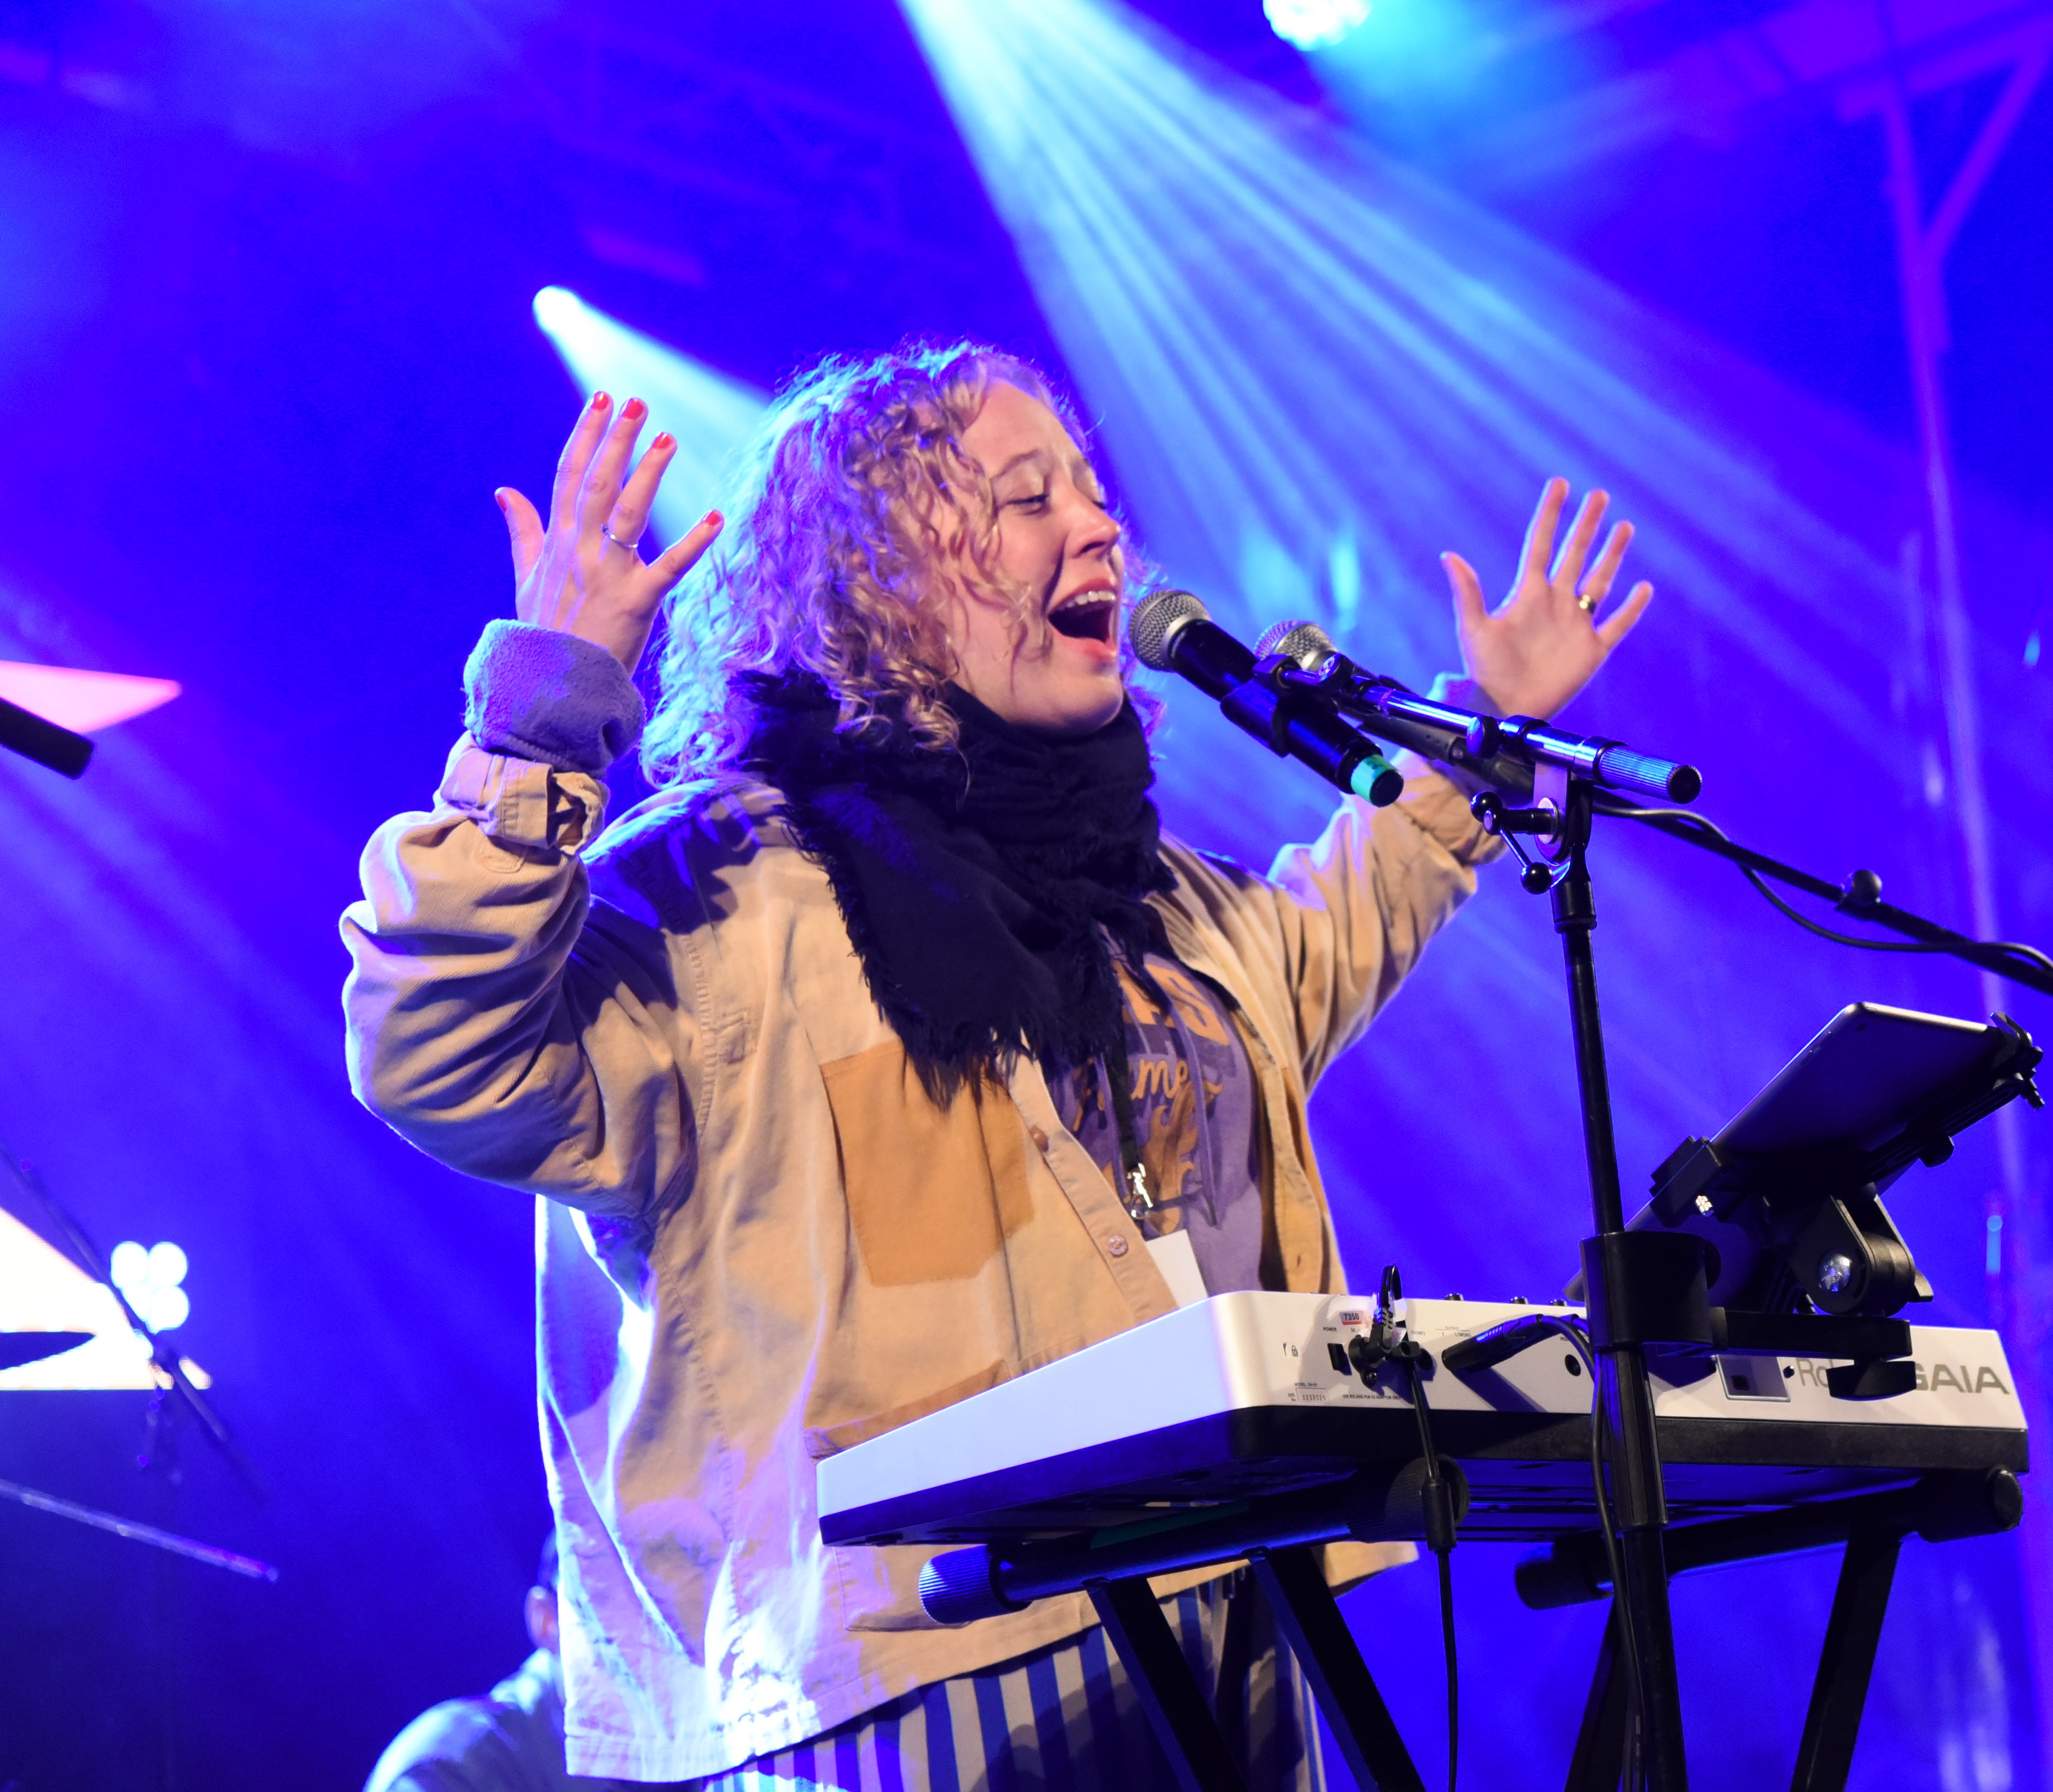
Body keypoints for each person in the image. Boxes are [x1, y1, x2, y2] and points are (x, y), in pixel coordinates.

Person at [343, 341, 1653, 1787]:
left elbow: (1345, 918)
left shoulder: (1160, 908)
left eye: (1091, 495)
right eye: (1026, 499)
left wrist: (1481, 743)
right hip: (906, 1683)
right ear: (874, 582)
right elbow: (440, 1048)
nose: (1097, 527)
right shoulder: (724, 894)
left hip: (1233, 1626)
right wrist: (543, 710)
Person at [364, 1537, 625, 1792]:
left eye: (664, 1612)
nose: (648, 1648)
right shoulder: (452, 1771)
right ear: (546, 1620)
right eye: (611, 1611)